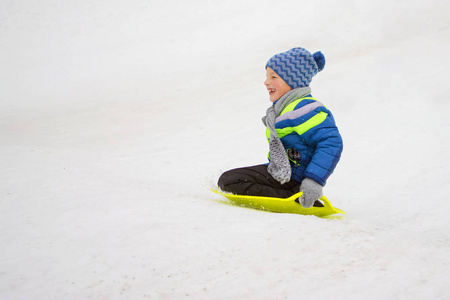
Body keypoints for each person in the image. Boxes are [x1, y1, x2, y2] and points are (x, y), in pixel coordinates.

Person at [217, 47, 343, 208]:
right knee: (229, 180)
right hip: (284, 174)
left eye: (273, 77)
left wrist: (314, 180)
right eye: (266, 76)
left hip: (295, 178)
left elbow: (331, 142)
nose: (266, 81)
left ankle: (296, 199)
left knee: (230, 181)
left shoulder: (303, 107)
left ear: (293, 81)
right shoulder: (283, 108)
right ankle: (293, 196)